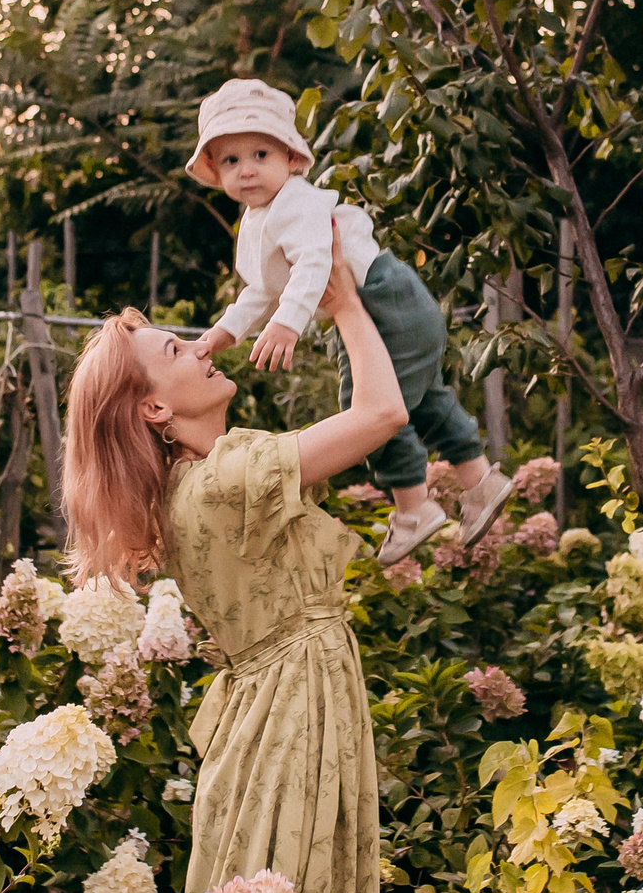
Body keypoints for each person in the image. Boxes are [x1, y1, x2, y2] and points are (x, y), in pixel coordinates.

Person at [63, 235, 406, 893]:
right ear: (154, 407)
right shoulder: (223, 480)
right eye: (175, 349)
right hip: (293, 714)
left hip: (270, 713)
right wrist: (344, 302)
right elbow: (384, 412)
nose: (200, 346)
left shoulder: (198, 484)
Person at [183, 76, 510, 563]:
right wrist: (224, 332)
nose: (246, 170)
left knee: (369, 406)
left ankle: (414, 508)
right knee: (425, 402)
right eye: (231, 160)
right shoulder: (258, 219)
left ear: (292, 160)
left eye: (260, 155)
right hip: (393, 303)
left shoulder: (294, 201)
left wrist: (288, 324)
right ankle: (480, 480)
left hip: (382, 300)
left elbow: (317, 264)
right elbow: (262, 290)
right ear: (215, 169)